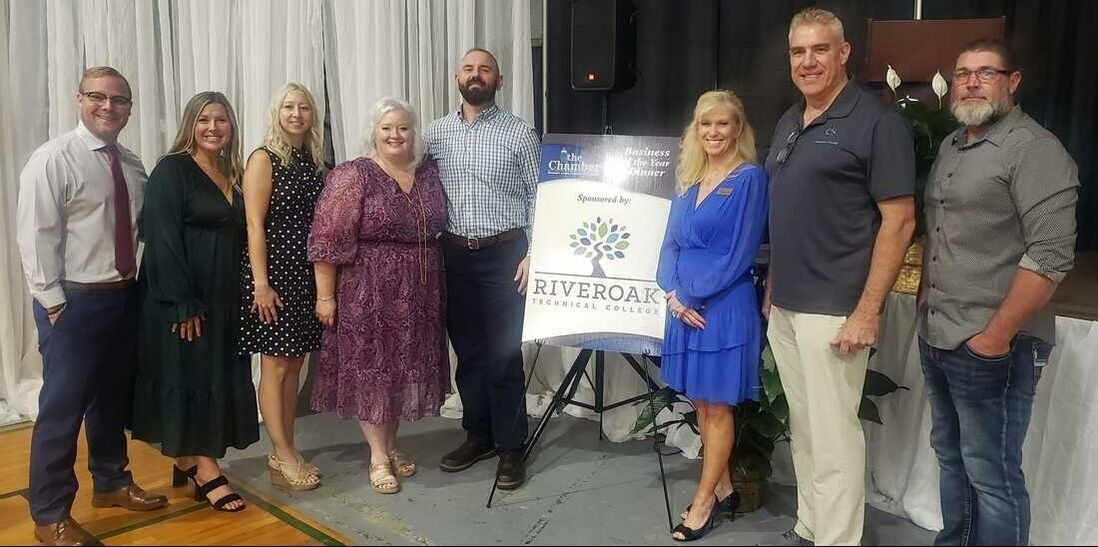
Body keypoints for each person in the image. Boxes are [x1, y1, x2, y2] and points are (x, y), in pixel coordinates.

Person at [762, 8, 915, 546]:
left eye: (819, 49)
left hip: (836, 308)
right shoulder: (789, 121)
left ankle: (838, 539)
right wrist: (776, 286)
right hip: (787, 306)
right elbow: (787, 212)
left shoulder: (876, 122)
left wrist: (867, 311)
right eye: (798, 52)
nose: (808, 61)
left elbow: (899, 222)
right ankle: (812, 526)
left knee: (833, 437)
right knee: (804, 429)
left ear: (844, 53)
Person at [918, 38, 1079, 546]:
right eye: (963, 72)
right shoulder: (952, 145)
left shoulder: (1035, 150)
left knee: (992, 473)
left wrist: (995, 336)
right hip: (940, 333)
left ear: (1013, 82)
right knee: (951, 455)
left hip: (994, 345)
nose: (970, 80)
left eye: (986, 73)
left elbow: (1051, 255)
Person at [17, 66, 167, 546]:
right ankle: (49, 513)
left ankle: (111, 482)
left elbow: (143, 228)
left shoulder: (130, 163)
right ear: (79, 99)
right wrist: (54, 305)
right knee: (62, 410)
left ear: (130, 107)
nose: (108, 107)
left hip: (123, 296)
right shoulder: (53, 160)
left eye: (119, 100)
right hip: (73, 301)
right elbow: (35, 236)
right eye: (98, 97)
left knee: (111, 401)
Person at [308, 97, 449, 495]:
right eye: (387, 127)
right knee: (373, 369)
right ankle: (377, 456)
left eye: (403, 127)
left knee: (401, 368)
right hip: (366, 290)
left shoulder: (427, 174)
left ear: (414, 133)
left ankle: (391, 444)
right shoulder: (354, 175)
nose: (395, 134)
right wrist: (325, 297)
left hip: (419, 291)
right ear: (374, 132)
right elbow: (326, 240)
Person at [131, 91, 259, 513]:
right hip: (181, 297)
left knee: (212, 376)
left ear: (231, 127)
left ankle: (186, 460)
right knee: (191, 378)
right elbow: (161, 240)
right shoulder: (172, 171)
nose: (213, 128)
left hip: (223, 297)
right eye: (204, 119)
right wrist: (182, 301)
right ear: (191, 124)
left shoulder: (231, 172)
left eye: (221, 120)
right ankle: (206, 469)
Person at [424, 47, 540, 490]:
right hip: (452, 254)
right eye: (469, 69)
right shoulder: (435, 135)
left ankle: (512, 447)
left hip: (505, 254)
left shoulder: (519, 133)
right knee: (468, 353)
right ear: (457, 77)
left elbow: (537, 196)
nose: (477, 75)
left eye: (485, 69)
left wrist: (537, 252)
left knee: (504, 354)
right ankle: (479, 434)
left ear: (499, 80)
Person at [657, 90, 769, 542]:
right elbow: (669, 244)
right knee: (702, 404)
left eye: (723, 124)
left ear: (738, 130)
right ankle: (721, 487)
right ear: (695, 131)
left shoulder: (750, 179)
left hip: (720, 310)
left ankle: (702, 504)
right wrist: (671, 292)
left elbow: (742, 254)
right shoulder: (690, 178)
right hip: (683, 308)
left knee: (718, 408)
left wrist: (691, 296)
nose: (714, 133)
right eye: (706, 125)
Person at [240, 83, 325, 491]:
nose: (296, 113)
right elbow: (253, 224)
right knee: (274, 365)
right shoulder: (263, 158)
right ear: (277, 112)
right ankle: (282, 452)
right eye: (289, 107)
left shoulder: (312, 159)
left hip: (306, 274)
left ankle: (284, 447)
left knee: (294, 365)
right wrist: (260, 283)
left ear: (313, 114)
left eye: (303, 107)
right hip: (273, 276)